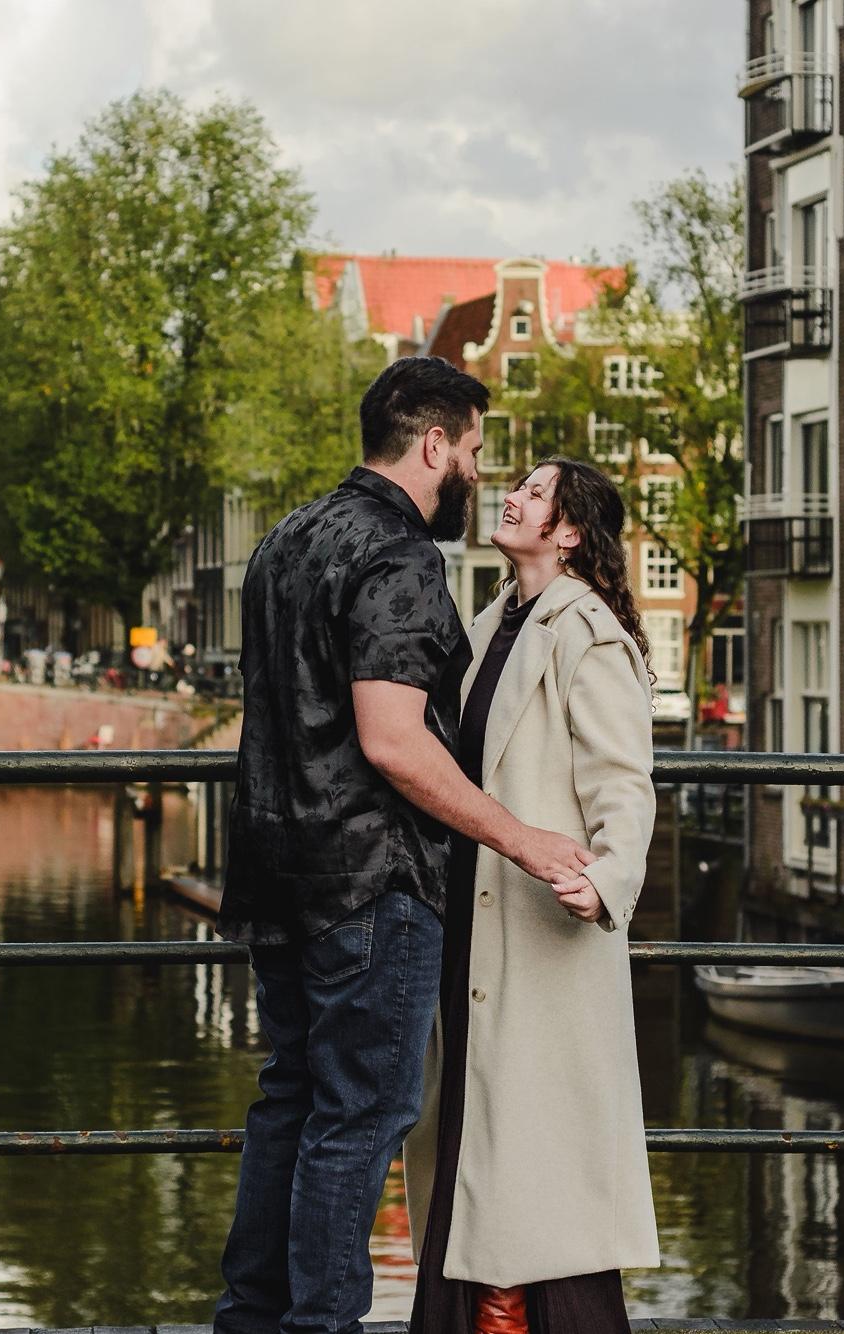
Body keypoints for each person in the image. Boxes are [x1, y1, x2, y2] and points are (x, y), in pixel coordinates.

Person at [213, 360, 595, 1334]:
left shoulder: (286, 538)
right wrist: (523, 839)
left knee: (288, 1101)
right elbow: (391, 740)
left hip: (274, 874)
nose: (477, 471)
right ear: (434, 445)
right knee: (357, 1120)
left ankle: (248, 1320)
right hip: (369, 885)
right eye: (473, 450)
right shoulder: (399, 554)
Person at [405, 456, 660, 1334]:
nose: (511, 497)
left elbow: (624, 781)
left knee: (526, 1167)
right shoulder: (494, 622)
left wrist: (606, 879)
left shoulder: (587, 633)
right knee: (475, 1142)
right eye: (517, 485)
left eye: (536, 493)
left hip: (540, 932)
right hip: (475, 927)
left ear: (571, 531)